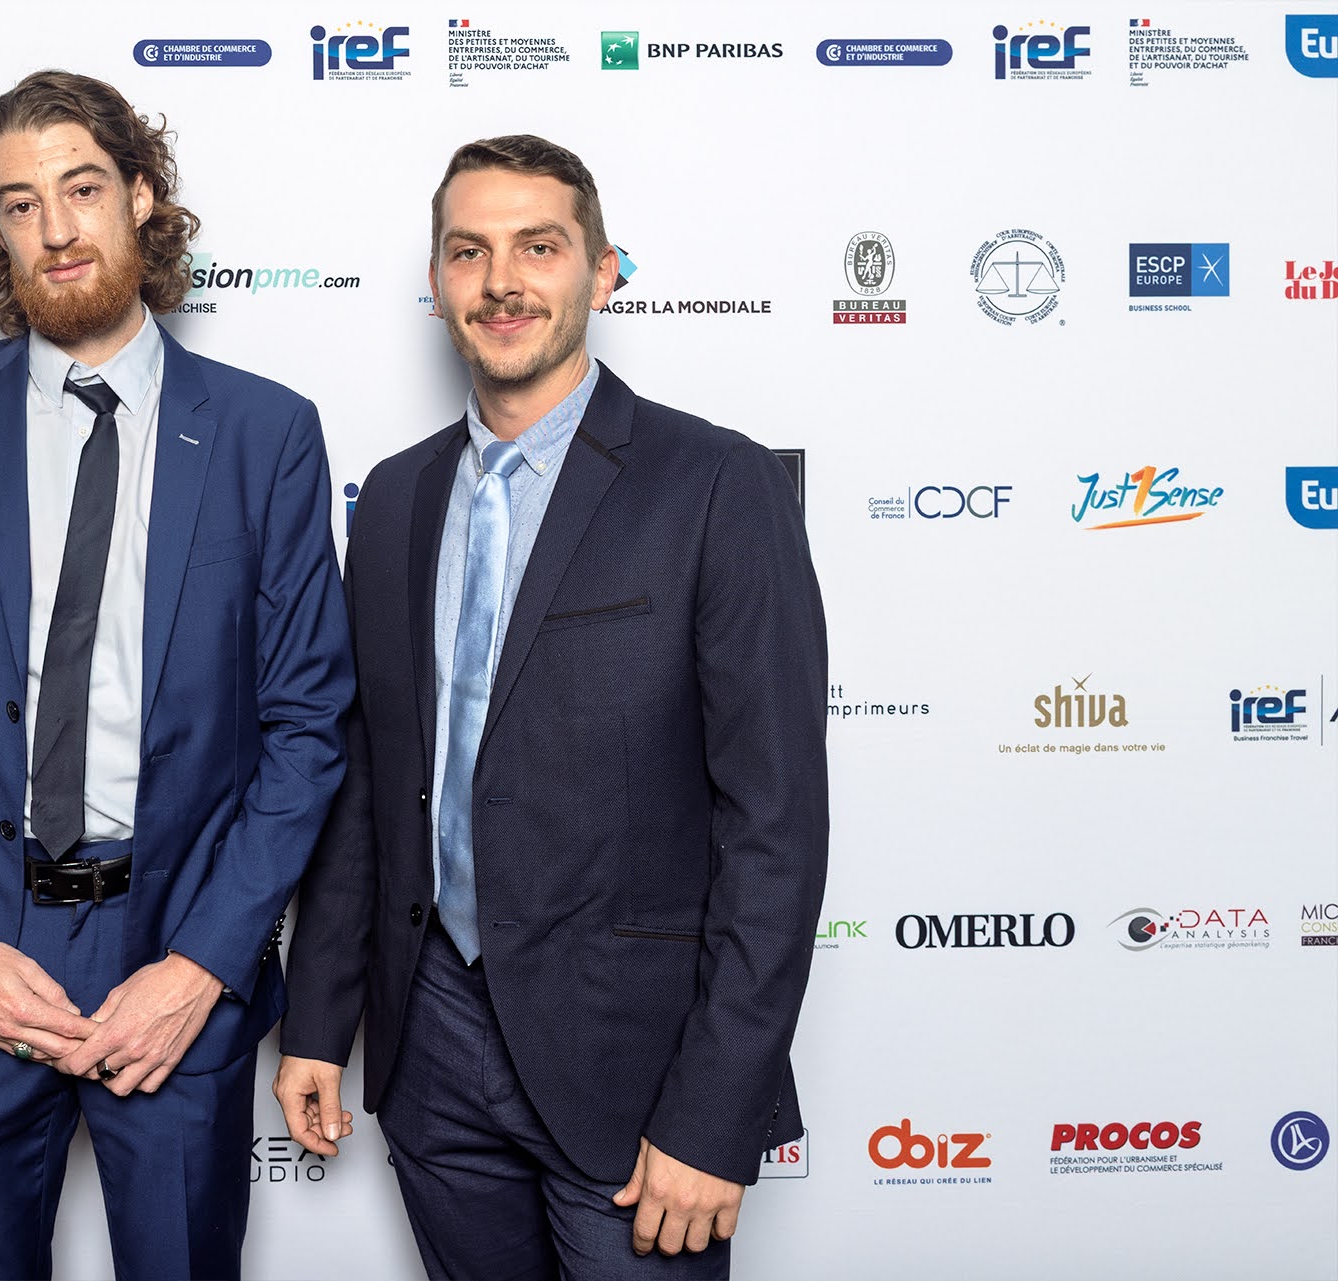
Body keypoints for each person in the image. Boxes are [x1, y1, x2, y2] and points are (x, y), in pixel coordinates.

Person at [0, 69, 352, 1281]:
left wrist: (203, 965)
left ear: (142, 198)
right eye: (18, 205)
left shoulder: (266, 434)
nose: (55, 229)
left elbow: (308, 724)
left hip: (174, 951)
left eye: (80, 189)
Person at [275, 134, 828, 1278]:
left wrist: (713, 1113)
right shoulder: (392, 499)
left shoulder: (718, 485)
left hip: (635, 1076)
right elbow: (370, 779)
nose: (502, 279)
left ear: (605, 271)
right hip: (432, 1048)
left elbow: (774, 826)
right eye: (468, 252)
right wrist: (320, 1023)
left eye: (540, 245)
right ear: (438, 286)